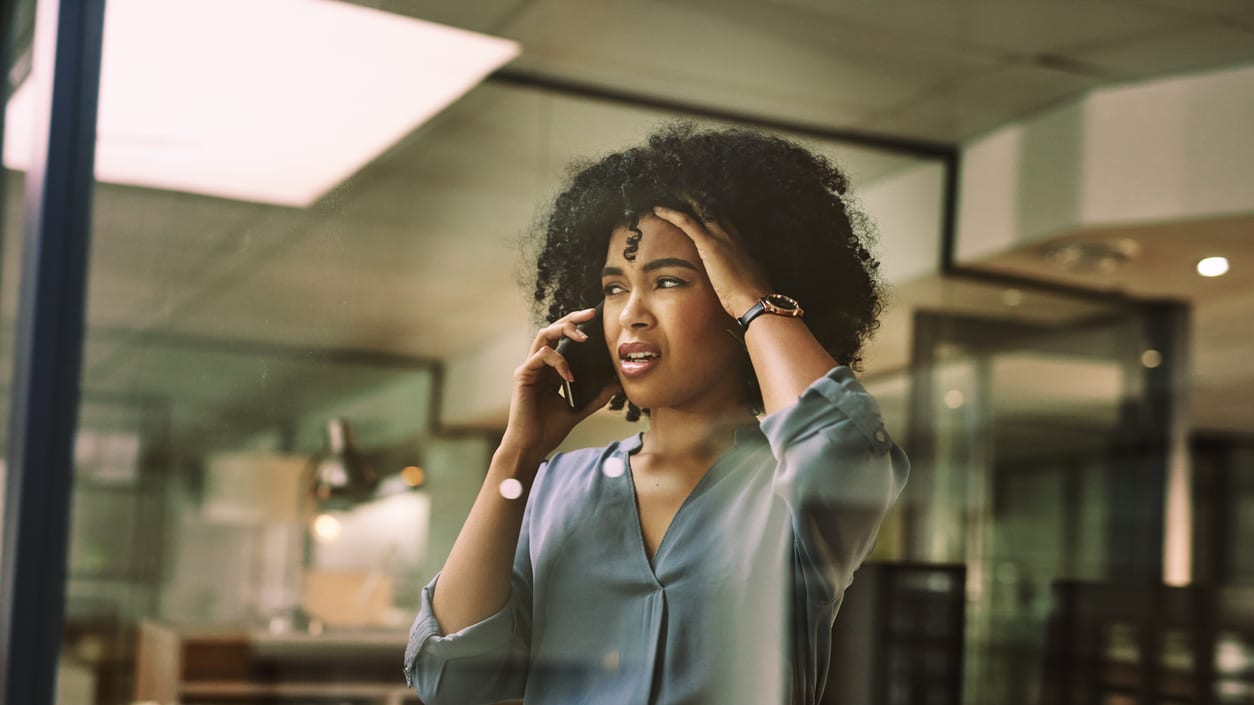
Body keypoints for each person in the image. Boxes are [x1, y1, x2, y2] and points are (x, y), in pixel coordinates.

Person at [402, 124, 909, 705]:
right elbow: (451, 680)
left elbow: (844, 447)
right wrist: (515, 456)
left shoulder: (790, 487)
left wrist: (754, 299)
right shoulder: (552, 488)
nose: (631, 315)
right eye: (615, 288)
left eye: (668, 281)